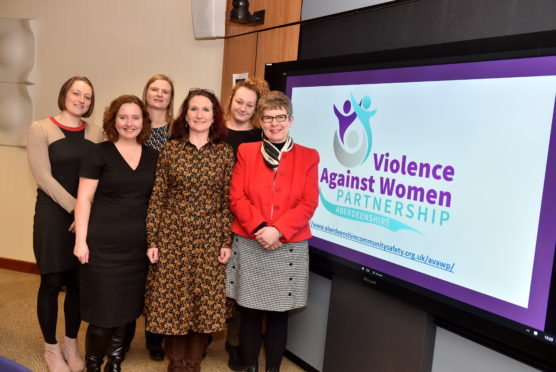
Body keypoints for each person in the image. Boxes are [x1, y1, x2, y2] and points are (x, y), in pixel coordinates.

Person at [226, 91, 320, 372]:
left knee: (279, 315)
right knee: (250, 312)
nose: (274, 123)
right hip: (251, 240)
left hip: (287, 244)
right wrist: (260, 229)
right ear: (261, 121)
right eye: (268, 117)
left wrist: (278, 231)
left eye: (280, 117)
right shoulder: (246, 151)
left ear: (291, 120)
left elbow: (308, 202)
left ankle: (273, 369)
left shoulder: (308, 156)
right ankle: (251, 366)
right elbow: (237, 197)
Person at [144, 88, 234, 372]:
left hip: (209, 237)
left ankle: (193, 364)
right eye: (193, 109)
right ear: (185, 114)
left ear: (214, 115)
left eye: (205, 109)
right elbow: (157, 196)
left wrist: (225, 241)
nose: (199, 114)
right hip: (173, 236)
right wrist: (153, 239)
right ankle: (175, 364)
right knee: (173, 302)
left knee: (202, 303)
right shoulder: (170, 149)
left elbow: (226, 200)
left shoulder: (224, 152)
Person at [73, 95, 158, 372]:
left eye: (135, 117)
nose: (129, 123)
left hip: (137, 249)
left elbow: (159, 203)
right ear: (113, 120)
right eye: (123, 117)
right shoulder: (98, 153)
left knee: (128, 312)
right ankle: (94, 363)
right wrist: (80, 241)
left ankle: (116, 361)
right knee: (102, 315)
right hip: (103, 246)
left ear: (144, 121)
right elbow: (84, 199)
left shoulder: (154, 157)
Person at [27, 76, 103, 372]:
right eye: (76, 93)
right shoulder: (40, 128)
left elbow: (101, 175)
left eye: (87, 96)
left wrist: (84, 213)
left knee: (77, 284)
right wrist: (76, 210)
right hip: (52, 215)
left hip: (84, 217)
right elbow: (44, 178)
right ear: (64, 94)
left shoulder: (96, 132)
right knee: (51, 281)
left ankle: (71, 343)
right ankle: (51, 348)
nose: (81, 100)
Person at [122, 74, 176, 361]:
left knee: (158, 278)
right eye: (154, 89)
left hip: (166, 212)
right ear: (146, 92)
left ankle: (155, 340)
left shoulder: (177, 129)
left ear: (171, 97)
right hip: (134, 206)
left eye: (165, 91)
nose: (159, 94)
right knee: (132, 276)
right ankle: (125, 336)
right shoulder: (132, 123)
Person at [223, 77, 269, 371]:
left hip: (244, 217)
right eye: (239, 101)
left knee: (238, 283)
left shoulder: (259, 138)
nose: (242, 107)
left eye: (249, 104)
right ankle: (201, 339)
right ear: (231, 100)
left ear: (255, 108)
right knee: (210, 280)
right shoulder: (214, 130)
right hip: (211, 214)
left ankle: (234, 344)